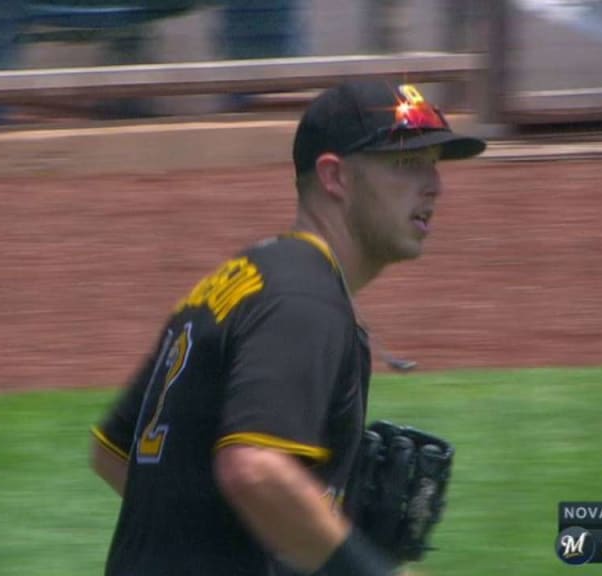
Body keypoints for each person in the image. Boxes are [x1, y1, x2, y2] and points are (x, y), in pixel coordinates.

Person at [89, 78, 486, 576]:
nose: (433, 185)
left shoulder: (244, 279)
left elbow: (115, 453)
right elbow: (254, 468)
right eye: (406, 164)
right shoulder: (305, 302)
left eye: (434, 165)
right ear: (334, 177)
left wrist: (284, 531)